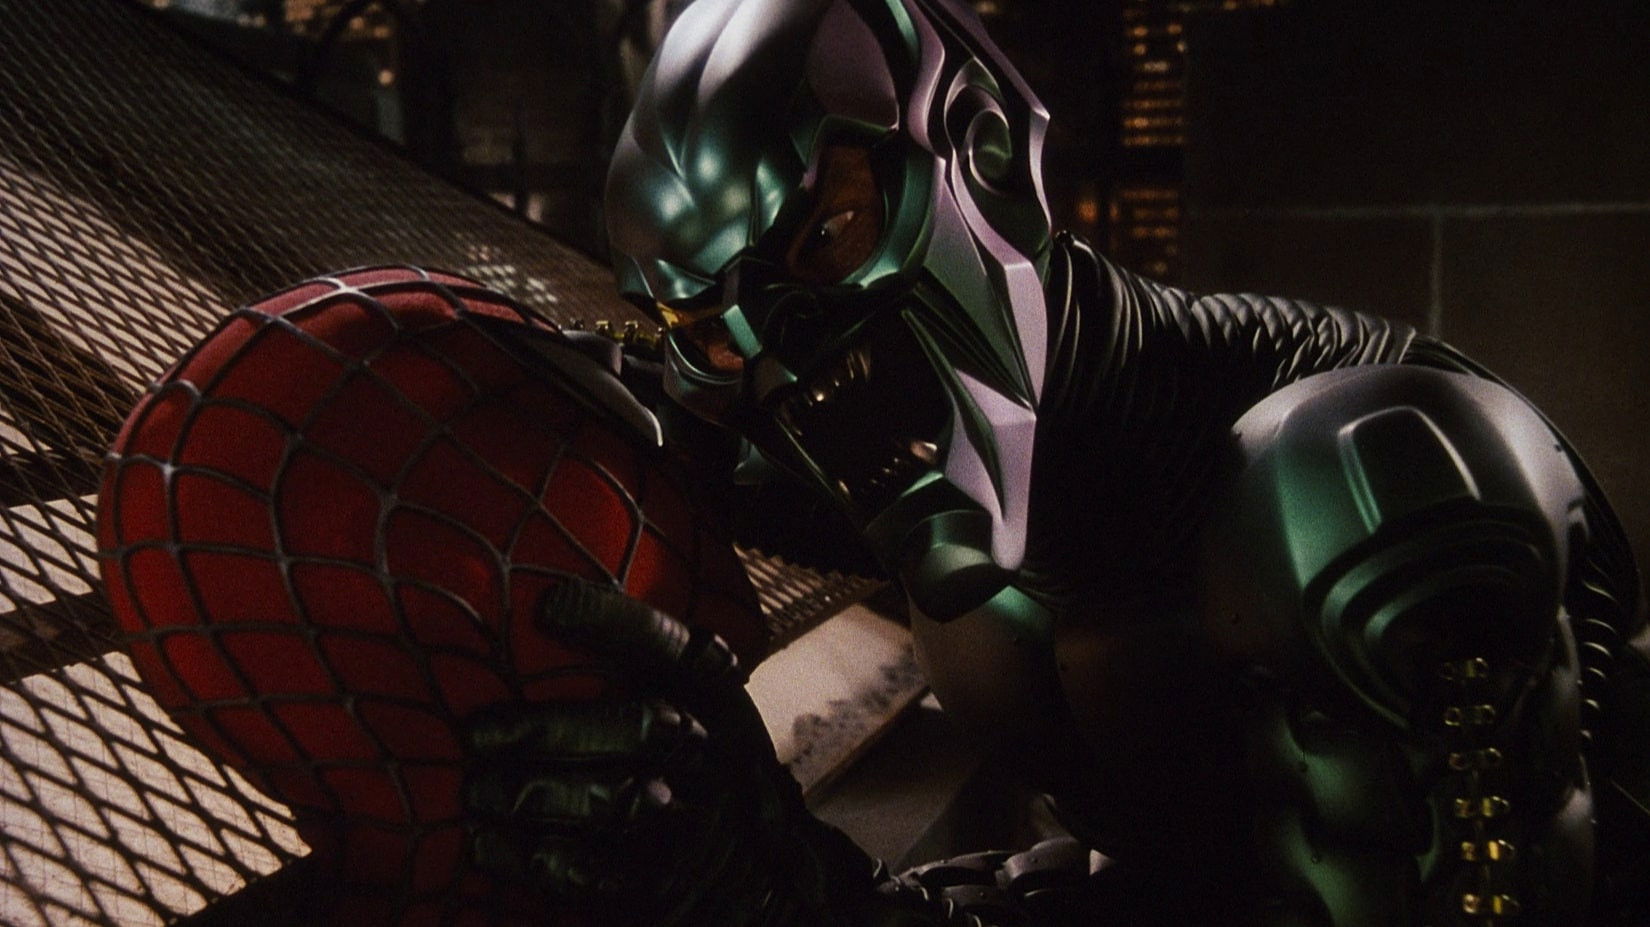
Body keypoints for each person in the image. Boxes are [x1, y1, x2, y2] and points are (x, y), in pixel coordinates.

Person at [467, 0, 1650, 923]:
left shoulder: (1367, 494)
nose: (799, 374)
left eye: (826, 237)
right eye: (716, 331)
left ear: (979, 153)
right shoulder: (960, 473)